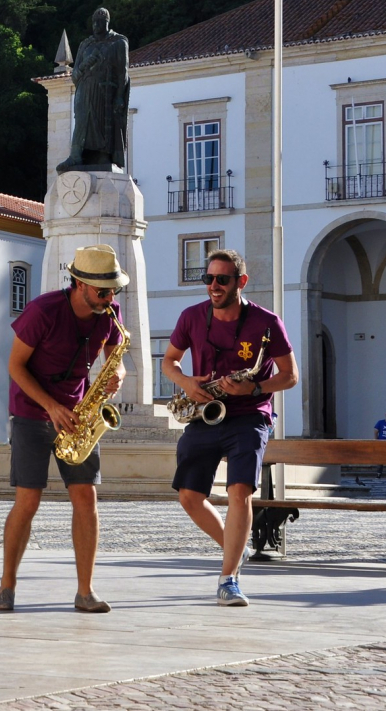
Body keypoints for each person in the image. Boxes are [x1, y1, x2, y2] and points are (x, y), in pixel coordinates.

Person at [0, 244, 126, 614]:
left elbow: (117, 360)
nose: (110, 297)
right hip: (32, 413)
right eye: (103, 290)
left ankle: (85, 591)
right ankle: (7, 585)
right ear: (80, 284)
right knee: (28, 500)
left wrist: (115, 374)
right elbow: (15, 367)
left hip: (79, 415)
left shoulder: (109, 313)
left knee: (87, 499)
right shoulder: (43, 310)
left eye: (114, 289)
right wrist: (50, 406)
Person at [163, 249, 297, 607]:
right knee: (189, 497)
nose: (214, 286)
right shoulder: (192, 316)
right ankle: (235, 548)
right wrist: (187, 382)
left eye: (222, 279)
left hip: (250, 414)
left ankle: (228, 579)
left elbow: (290, 376)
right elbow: (169, 361)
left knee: (240, 492)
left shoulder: (267, 322)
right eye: (208, 279)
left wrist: (255, 387)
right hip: (205, 410)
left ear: (241, 281)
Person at [56, 7, 130, 172]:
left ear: (107, 23)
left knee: (103, 123)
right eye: (94, 22)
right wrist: (86, 63)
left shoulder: (118, 42)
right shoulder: (85, 44)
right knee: (82, 121)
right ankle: (75, 155)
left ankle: (104, 156)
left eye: (100, 22)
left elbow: (122, 72)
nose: (96, 25)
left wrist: (119, 96)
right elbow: (75, 75)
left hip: (106, 90)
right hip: (84, 89)